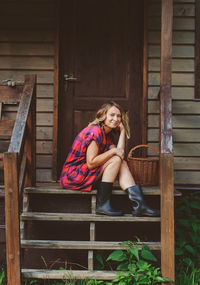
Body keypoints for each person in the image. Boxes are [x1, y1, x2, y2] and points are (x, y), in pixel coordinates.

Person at [60, 101, 160, 217]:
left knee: (120, 161)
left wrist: (122, 131)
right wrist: (112, 151)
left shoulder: (106, 134)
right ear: (103, 116)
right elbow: (91, 163)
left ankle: (140, 205)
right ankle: (102, 205)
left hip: (86, 173)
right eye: (112, 115)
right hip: (73, 175)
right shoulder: (95, 131)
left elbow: (120, 154)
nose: (116, 119)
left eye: (118, 116)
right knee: (116, 159)